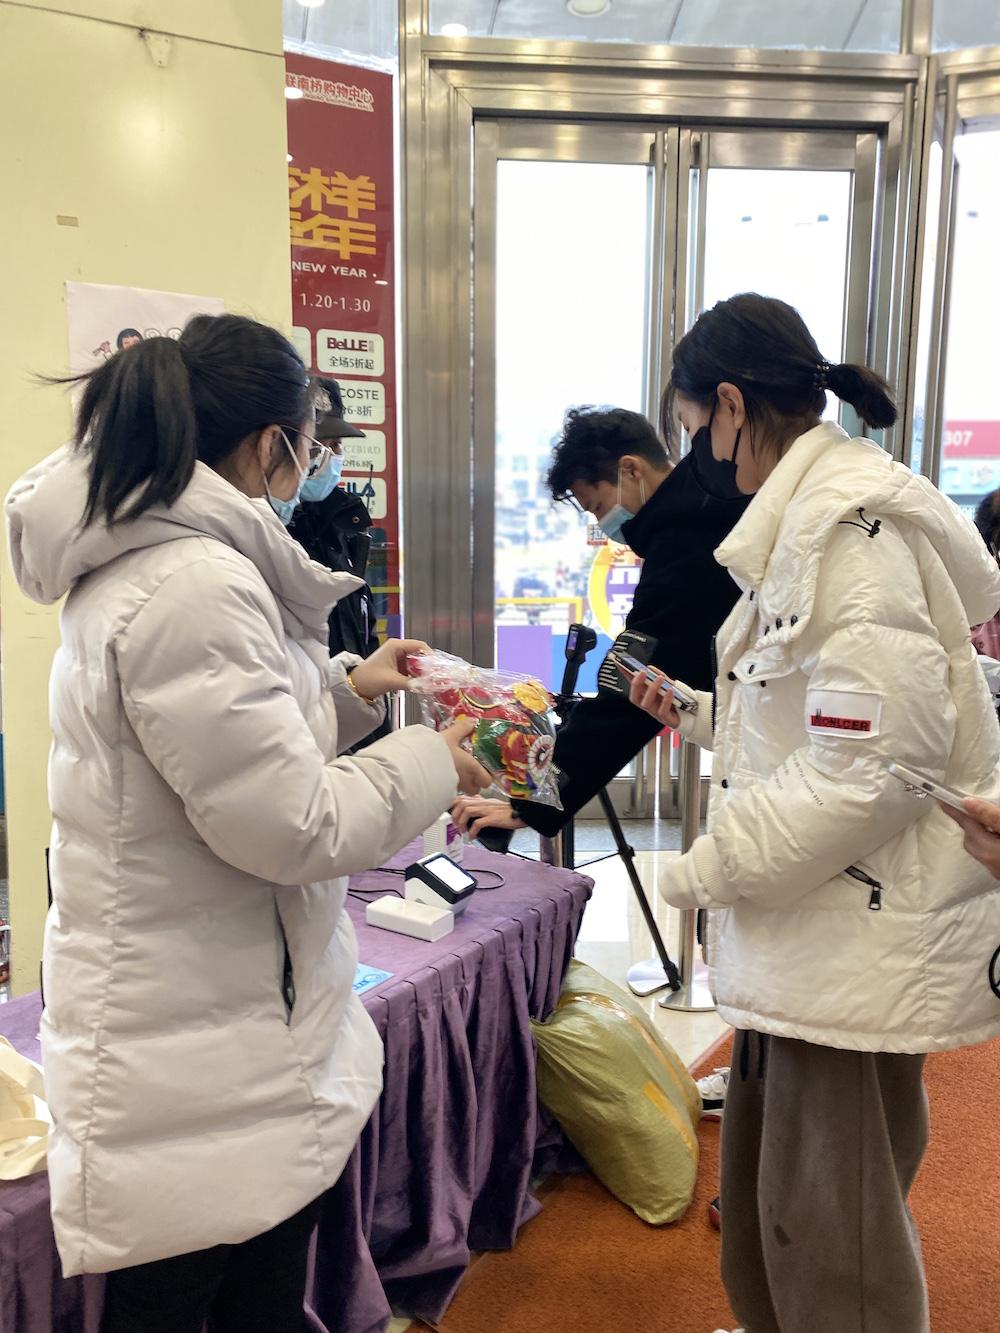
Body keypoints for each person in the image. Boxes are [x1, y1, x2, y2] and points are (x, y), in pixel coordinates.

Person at [5, 313, 490, 1332]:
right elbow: (291, 825)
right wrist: (426, 761)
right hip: (200, 1036)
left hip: (209, 1016)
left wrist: (351, 690)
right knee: (213, 1296)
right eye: (310, 445)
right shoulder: (196, 581)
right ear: (275, 444)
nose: (314, 466)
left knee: (235, 1289)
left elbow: (238, 743)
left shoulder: (169, 561)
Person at [626, 293, 1000, 1333]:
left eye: (698, 427)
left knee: (832, 1225)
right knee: (772, 1201)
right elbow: (826, 723)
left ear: (735, 405)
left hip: (849, 930)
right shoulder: (816, 519)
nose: (701, 452)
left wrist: (700, 870)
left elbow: (873, 769)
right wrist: (704, 717)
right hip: (818, 926)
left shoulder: (846, 531)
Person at [453, 405, 751, 843]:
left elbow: (630, 685)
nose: (601, 523)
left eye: (597, 507)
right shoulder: (706, 504)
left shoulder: (685, 538)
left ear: (630, 469)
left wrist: (534, 800)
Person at [288, 378, 391, 747]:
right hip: (304, 732)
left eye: (338, 446)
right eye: (323, 445)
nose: (334, 457)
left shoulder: (344, 527)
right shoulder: (271, 536)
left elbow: (359, 634)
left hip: (349, 718)